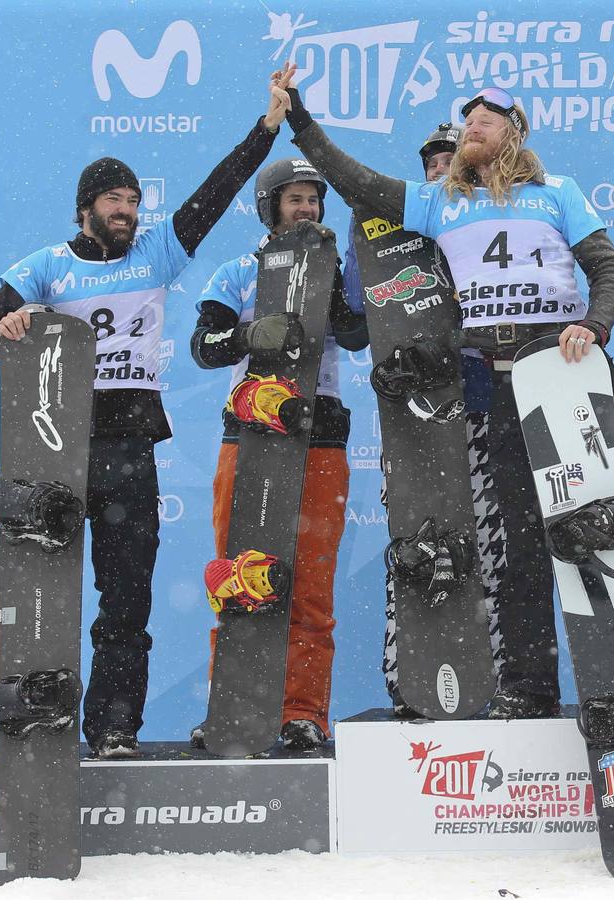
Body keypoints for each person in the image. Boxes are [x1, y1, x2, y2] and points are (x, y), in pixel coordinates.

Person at [271, 78, 614, 718]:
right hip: (499, 380)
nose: (471, 126)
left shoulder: (557, 193)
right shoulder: (440, 201)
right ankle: (528, 686)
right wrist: (298, 119)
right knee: (520, 544)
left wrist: (595, 326)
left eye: (485, 119)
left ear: (513, 131)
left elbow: (607, 268)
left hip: (570, 366)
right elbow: (355, 180)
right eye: (465, 120)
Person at [0, 74, 292, 759]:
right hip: (55, 446)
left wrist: (265, 130)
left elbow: (215, 191)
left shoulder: (157, 253)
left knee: (126, 603)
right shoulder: (47, 265)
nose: (127, 210)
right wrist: (10, 326)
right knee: (43, 598)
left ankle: (114, 730)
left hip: (128, 444)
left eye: (134, 200)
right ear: (85, 207)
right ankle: (39, 724)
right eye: (114, 200)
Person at [188, 151, 368, 750]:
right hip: (252, 436)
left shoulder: (335, 272)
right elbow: (205, 346)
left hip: (319, 435)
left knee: (310, 590)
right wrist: (247, 334)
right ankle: (234, 710)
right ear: (269, 208)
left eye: (313, 199)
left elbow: (357, 335)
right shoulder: (237, 271)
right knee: (240, 579)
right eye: (294, 199)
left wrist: (335, 270)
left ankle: (303, 714)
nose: (307, 207)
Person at [376, 121, 508, 718]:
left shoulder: (493, 225)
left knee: (492, 546)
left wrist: (454, 338)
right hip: (410, 421)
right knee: (412, 541)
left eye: (449, 160)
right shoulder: (391, 239)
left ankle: (499, 677)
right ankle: (408, 678)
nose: (439, 169)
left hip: (481, 404)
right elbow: (356, 319)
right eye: (430, 161)